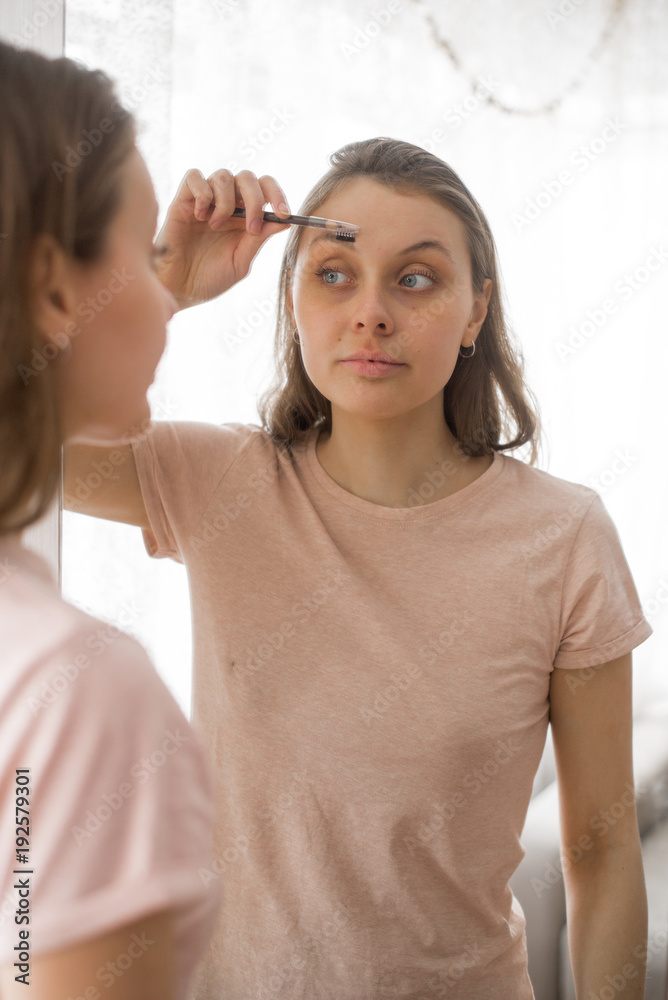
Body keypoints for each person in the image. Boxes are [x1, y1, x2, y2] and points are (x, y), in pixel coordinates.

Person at [64, 135, 653, 998]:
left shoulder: (564, 537)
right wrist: (161, 284)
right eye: (334, 273)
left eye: (416, 278)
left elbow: (601, 855)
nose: (372, 311)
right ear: (293, 299)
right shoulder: (215, 483)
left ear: (476, 312)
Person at [0, 39, 294, 999]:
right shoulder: (76, 695)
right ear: (51, 285)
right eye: (140, 251)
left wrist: (145, 280)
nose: (169, 300)